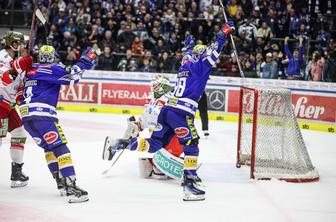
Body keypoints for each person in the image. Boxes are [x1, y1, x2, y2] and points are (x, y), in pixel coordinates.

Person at [105, 21, 235, 201]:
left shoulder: (186, 61)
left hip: (166, 110)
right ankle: (189, 185)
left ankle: (120, 143)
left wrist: (190, 45)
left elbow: (190, 51)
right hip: (182, 111)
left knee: (156, 143)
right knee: (192, 145)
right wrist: (224, 32)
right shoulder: (203, 63)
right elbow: (216, 46)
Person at [19, 45, 96, 203]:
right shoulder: (53, 68)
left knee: (49, 149)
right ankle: (72, 187)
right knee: (60, 147)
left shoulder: (30, 69)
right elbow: (73, 74)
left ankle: (60, 183)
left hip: (27, 117)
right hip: (43, 115)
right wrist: (86, 60)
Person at [103, 74, 184, 180]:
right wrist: (139, 126)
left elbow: (147, 118)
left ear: (163, 87)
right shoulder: (164, 99)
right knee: (159, 170)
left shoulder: (157, 100)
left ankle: (119, 144)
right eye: (153, 86)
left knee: (153, 146)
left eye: (156, 86)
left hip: (161, 131)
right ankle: (158, 165)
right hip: (169, 133)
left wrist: (139, 126)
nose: (153, 88)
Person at [0, 31, 31, 188]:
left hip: (9, 105)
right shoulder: (2, 57)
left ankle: (16, 173)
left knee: (19, 133)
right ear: (13, 43)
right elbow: (5, 78)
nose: (22, 45)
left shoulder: (17, 61)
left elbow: (18, 85)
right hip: (0, 104)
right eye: (20, 43)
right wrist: (17, 69)